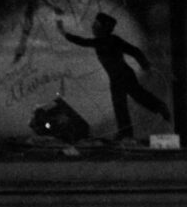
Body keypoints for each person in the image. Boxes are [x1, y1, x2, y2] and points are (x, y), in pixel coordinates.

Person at [60, 10, 168, 140]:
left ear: (103, 28)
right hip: (117, 77)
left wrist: (64, 33)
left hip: (123, 75)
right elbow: (135, 51)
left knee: (135, 98)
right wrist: (146, 66)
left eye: (96, 24)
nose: (93, 27)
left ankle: (156, 110)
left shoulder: (108, 41)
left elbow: (83, 41)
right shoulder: (106, 40)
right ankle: (127, 132)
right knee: (123, 104)